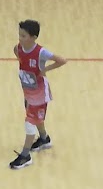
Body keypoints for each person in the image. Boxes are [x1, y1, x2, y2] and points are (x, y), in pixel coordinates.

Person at [9, 19, 67, 169]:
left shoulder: (41, 52)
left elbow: (62, 60)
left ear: (34, 37)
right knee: (36, 117)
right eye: (19, 35)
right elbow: (17, 53)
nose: (20, 38)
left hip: (39, 93)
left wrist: (45, 70)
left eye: (23, 36)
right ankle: (44, 139)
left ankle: (25, 156)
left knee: (29, 123)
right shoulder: (18, 48)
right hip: (27, 90)